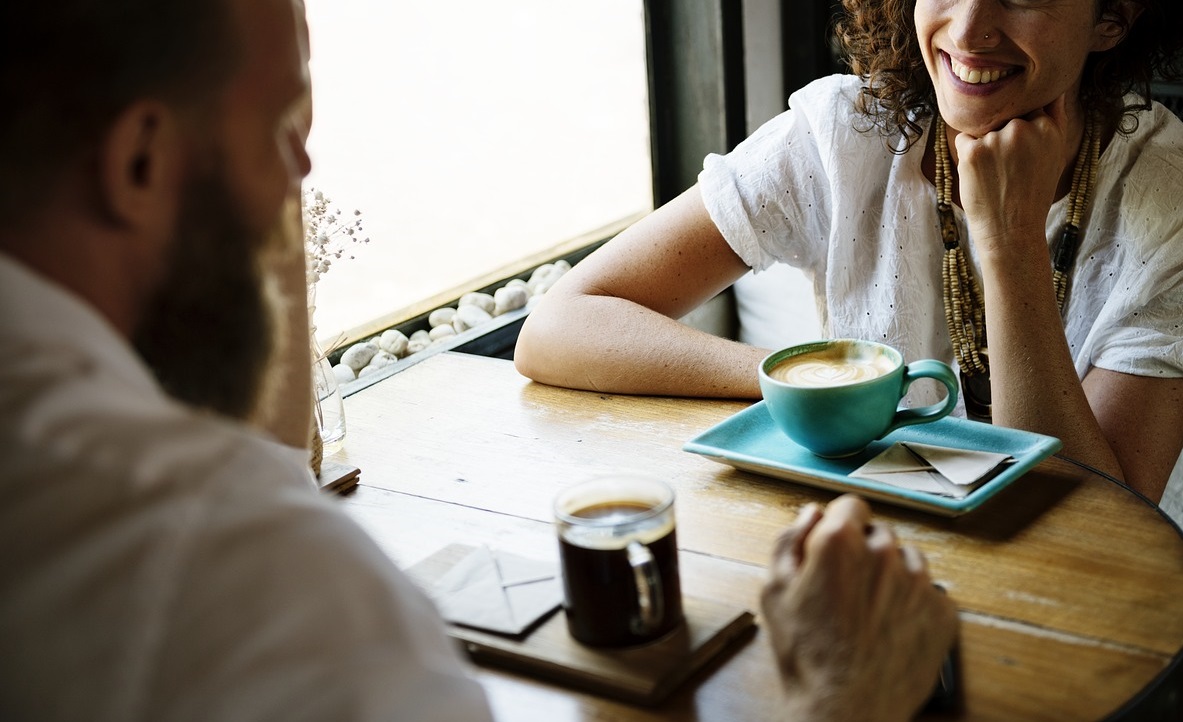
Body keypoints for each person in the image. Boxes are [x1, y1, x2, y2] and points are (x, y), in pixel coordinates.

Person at [0, 1, 956, 720]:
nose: (303, 183)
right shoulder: (235, 572)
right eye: (285, 133)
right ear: (139, 164)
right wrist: (840, 700)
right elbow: (563, 321)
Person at [514, 0, 1183, 545]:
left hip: (1119, 591)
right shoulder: (846, 134)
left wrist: (1009, 242)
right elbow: (558, 326)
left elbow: (1101, 527)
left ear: (1111, 19)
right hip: (885, 543)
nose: (967, 31)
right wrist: (819, 387)